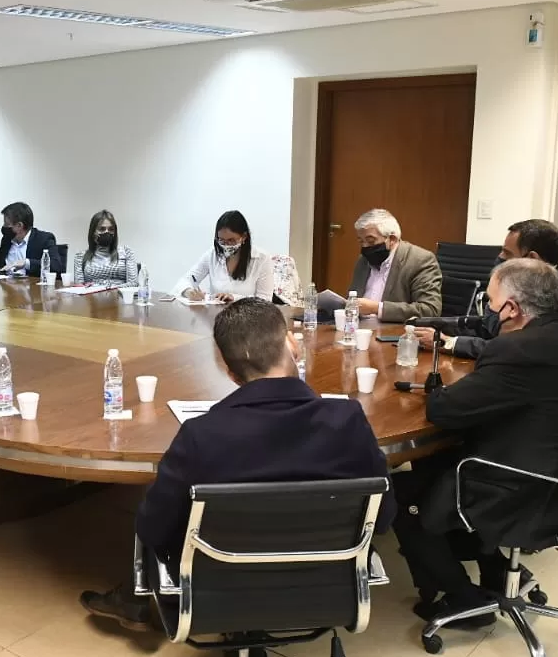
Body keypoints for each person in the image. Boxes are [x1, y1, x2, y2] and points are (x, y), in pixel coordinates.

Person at [80, 298, 393, 630]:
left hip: (217, 592)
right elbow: (384, 516)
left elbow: (153, 528)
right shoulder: (348, 421)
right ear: (292, 345)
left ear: (229, 372)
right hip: (323, 587)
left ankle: (132, 601)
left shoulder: (202, 434)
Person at [391, 259, 558, 627]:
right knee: (436, 460)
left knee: (396, 494)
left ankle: (461, 598)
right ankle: (494, 571)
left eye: (491, 302)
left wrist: (437, 390)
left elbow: (446, 411)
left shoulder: (519, 351)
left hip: (524, 485)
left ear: (513, 309)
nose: (488, 311)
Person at [415, 219, 558, 359]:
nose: (499, 257)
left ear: (532, 259)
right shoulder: (536, 285)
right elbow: (489, 325)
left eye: (507, 253)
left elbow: (519, 348)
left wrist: (449, 343)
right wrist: (432, 324)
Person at [347, 209, 442, 321]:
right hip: (357, 328)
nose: (365, 247)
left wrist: (377, 308)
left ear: (392, 239)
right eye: (361, 241)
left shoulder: (420, 260)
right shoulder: (364, 260)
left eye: (371, 241)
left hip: (393, 332)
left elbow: (430, 310)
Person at [175, 211, 274, 302]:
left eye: (231, 240)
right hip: (215, 316)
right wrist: (188, 291)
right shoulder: (212, 255)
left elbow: (265, 301)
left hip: (250, 318)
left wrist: (234, 298)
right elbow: (186, 280)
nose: (226, 245)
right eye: (221, 240)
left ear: (244, 237)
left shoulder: (262, 259)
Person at [0, 201, 61, 278]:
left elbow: (56, 266)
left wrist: (26, 263)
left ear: (19, 226)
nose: (4, 227)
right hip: (8, 290)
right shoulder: (7, 240)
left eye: (7, 224)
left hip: (33, 293)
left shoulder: (44, 239)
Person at [73, 210, 138, 285]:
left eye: (111, 229)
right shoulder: (80, 257)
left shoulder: (127, 252)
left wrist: (105, 288)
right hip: (91, 296)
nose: (107, 232)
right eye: (102, 229)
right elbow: (79, 288)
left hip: (119, 296)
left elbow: (133, 284)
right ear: (93, 232)